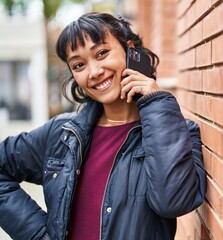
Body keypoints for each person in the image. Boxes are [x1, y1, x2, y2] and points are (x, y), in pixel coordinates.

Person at [0, 12, 206, 240]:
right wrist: (38, 234)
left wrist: (156, 101)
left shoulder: (178, 133)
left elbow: (174, 202)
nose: (94, 72)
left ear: (130, 51)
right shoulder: (62, 134)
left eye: (102, 53)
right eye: (79, 65)